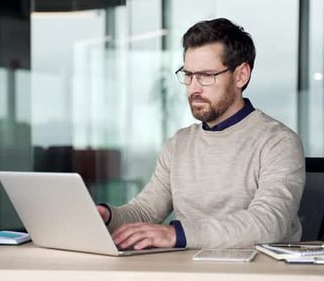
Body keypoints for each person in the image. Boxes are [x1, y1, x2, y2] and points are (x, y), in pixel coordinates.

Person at [97, 18, 305, 250]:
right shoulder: (179, 144)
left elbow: (268, 223)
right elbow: (147, 210)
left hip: (256, 272)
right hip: (188, 269)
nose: (194, 88)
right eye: (188, 75)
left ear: (241, 75)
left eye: (206, 75)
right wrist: (107, 216)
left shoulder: (278, 142)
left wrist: (175, 234)